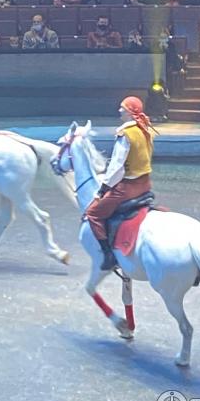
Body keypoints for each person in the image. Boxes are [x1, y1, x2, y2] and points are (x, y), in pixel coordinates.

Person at [85, 96, 155, 270]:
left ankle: (108, 255)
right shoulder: (145, 130)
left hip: (128, 188)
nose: (119, 111)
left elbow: (117, 167)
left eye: (122, 108)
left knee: (93, 213)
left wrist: (104, 188)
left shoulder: (125, 134)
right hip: (145, 184)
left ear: (130, 112)